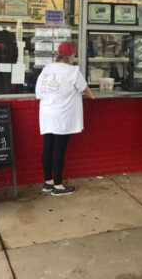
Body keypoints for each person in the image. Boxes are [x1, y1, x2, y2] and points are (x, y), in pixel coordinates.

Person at [35, 41, 95, 196]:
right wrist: (93, 96)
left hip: (47, 114)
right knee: (59, 151)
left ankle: (48, 182)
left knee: (48, 147)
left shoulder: (47, 69)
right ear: (70, 55)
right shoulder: (73, 71)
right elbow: (86, 90)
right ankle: (58, 186)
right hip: (63, 116)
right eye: (74, 54)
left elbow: (38, 92)